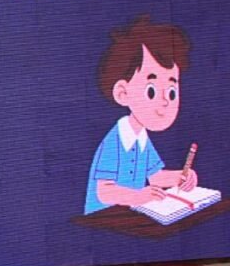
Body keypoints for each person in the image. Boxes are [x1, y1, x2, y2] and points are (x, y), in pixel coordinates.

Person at [84, 15, 197, 214]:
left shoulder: (141, 138)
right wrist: (138, 196)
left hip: (132, 216)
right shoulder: (115, 140)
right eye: (151, 91)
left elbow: (155, 176)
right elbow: (104, 192)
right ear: (122, 92)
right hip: (103, 219)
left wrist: (182, 176)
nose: (165, 101)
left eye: (171, 92)